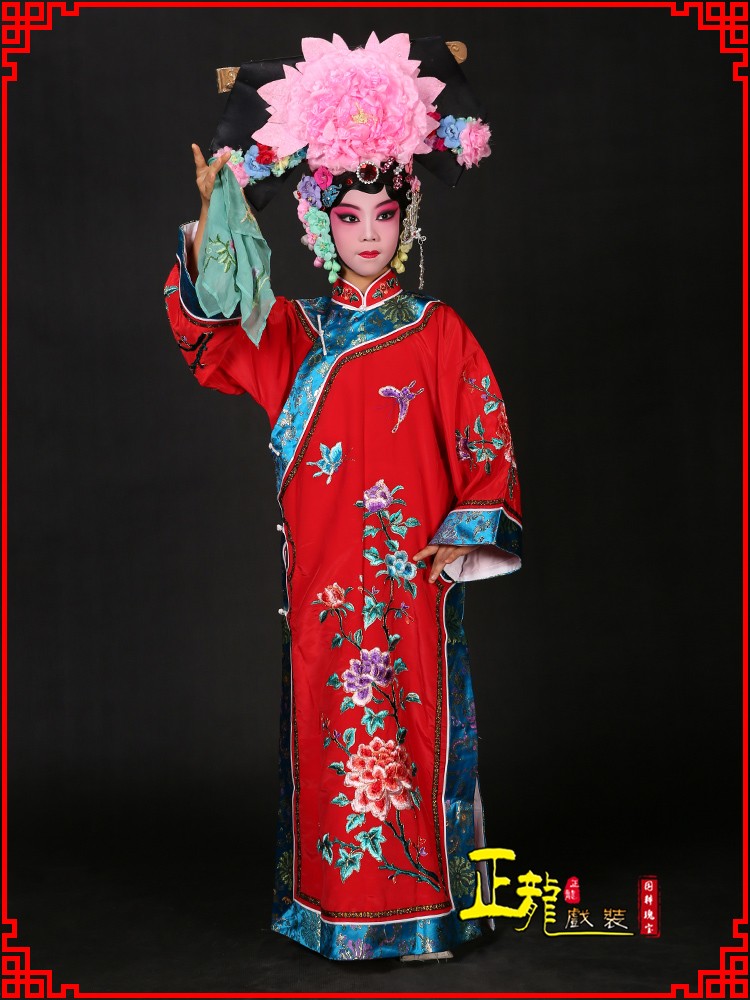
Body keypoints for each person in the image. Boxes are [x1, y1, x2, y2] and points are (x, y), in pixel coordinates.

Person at [163, 31, 522, 962]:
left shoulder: (440, 333)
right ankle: (333, 914)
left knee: (415, 732)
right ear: (321, 223)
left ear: (409, 219)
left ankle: (428, 914)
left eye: (384, 214)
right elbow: (211, 338)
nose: (369, 233)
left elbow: (485, 440)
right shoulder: (294, 331)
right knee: (335, 741)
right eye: (350, 215)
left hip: (411, 581)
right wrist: (211, 218)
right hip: (326, 585)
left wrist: (463, 536)